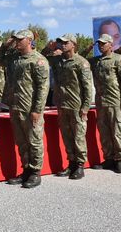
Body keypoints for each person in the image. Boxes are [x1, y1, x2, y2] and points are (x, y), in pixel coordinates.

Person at [0, 29, 49, 189]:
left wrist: (37, 109)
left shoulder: (38, 60)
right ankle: (26, 169)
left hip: (30, 108)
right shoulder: (14, 58)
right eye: (16, 39)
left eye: (20, 39)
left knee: (34, 141)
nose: (17, 42)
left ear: (29, 40)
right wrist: (5, 46)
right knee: (21, 141)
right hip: (16, 107)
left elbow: (43, 88)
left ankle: (35, 172)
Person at [49, 34, 93, 180]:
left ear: (73, 44)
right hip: (62, 105)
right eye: (60, 42)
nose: (62, 45)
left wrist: (85, 107)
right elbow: (41, 57)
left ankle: (80, 165)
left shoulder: (81, 62)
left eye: (65, 42)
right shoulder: (58, 61)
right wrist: (49, 47)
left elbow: (87, 87)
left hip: (77, 106)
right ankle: (72, 163)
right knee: (67, 136)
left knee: (79, 136)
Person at [90, 34, 121, 174]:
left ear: (110, 45)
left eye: (103, 43)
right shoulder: (96, 61)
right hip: (101, 102)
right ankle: (108, 158)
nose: (100, 46)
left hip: (115, 101)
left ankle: (119, 160)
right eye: (99, 44)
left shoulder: (119, 60)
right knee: (104, 132)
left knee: (117, 131)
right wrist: (88, 48)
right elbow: (79, 59)